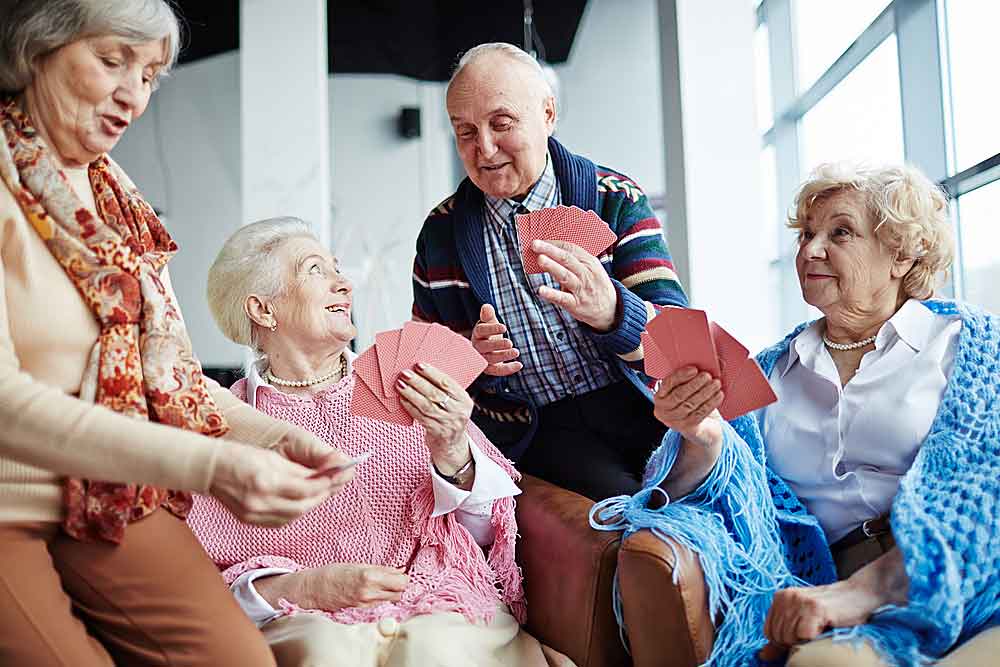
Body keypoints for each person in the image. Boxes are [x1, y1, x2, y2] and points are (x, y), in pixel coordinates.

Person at [0, 3, 354, 665]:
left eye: (150, 76)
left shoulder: (118, 198)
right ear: (37, 49)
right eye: (113, 62)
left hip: (109, 493)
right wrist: (211, 467)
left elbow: (176, 378)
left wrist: (275, 437)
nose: (133, 96)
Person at [592, 163, 1000, 666]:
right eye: (806, 234)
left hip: (954, 574)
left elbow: (988, 488)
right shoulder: (768, 373)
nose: (810, 251)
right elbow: (701, 498)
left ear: (900, 254)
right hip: (815, 589)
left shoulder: (976, 349)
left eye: (840, 233)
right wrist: (702, 439)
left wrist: (866, 590)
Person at [188, 217, 569, 667]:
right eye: (315, 270)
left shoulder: (409, 380)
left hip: (440, 600)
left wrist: (452, 450)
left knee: (437, 650)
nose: (344, 283)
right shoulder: (221, 426)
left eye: (337, 268)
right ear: (263, 309)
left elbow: (486, 537)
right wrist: (306, 587)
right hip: (304, 619)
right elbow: (204, 584)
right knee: (323, 652)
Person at [412, 42, 688, 500]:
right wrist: (471, 358)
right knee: (635, 512)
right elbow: (426, 374)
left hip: (646, 405)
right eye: (465, 131)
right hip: (536, 434)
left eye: (502, 124)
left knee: (721, 485)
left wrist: (614, 312)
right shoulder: (439, 235)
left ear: (548, 114)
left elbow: (679, 345)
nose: (485, 148)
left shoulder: (614, 198)